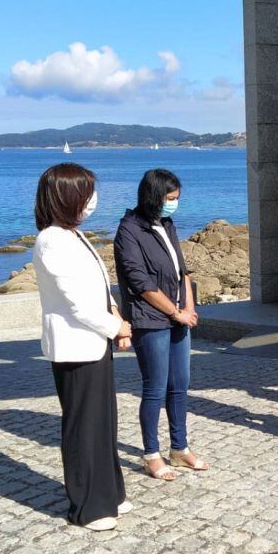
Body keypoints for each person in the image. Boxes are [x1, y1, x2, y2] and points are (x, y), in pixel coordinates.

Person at [32, 163, 134, 531]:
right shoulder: (51, 241)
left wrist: (116, 315)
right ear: (67, 196)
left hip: (94, 342)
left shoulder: (74, 235)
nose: (93, 199)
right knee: (83, 427)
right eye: (87, 192)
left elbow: (97, 287)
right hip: (75, 347)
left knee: (103, 423)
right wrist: (114, 326)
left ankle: (109, 494)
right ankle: (89, 506)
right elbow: (76, 302)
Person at [114, 168, 208, 481]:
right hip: (150, 319)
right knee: (155, 389)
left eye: (177, 199)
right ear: (154, 196)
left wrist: (189, 307)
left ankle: (179, 448)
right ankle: (151, 454)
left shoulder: (166, 224)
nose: (174, 204)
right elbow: (139, 281)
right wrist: (174, 312)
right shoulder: (129, 230)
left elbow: (182, 270)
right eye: (170, 199)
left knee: (179, 386)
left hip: (178, 316)